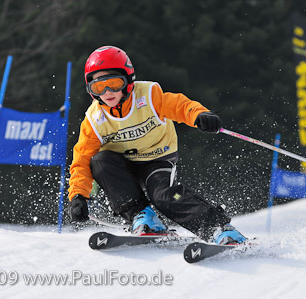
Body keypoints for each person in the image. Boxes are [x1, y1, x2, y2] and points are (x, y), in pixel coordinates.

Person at [68, 45, 247, 245]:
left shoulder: (148, 96)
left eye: (114, 83)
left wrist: (199, 115)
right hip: (123, 166)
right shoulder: (94, 120)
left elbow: (179, 105)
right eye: (99, 87)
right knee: (99, 161)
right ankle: (143, 216)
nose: (108, 92)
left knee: (163, 196)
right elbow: (81, 160)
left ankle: (218, 228)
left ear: (128, 81)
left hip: (157, 159)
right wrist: (78, 196)